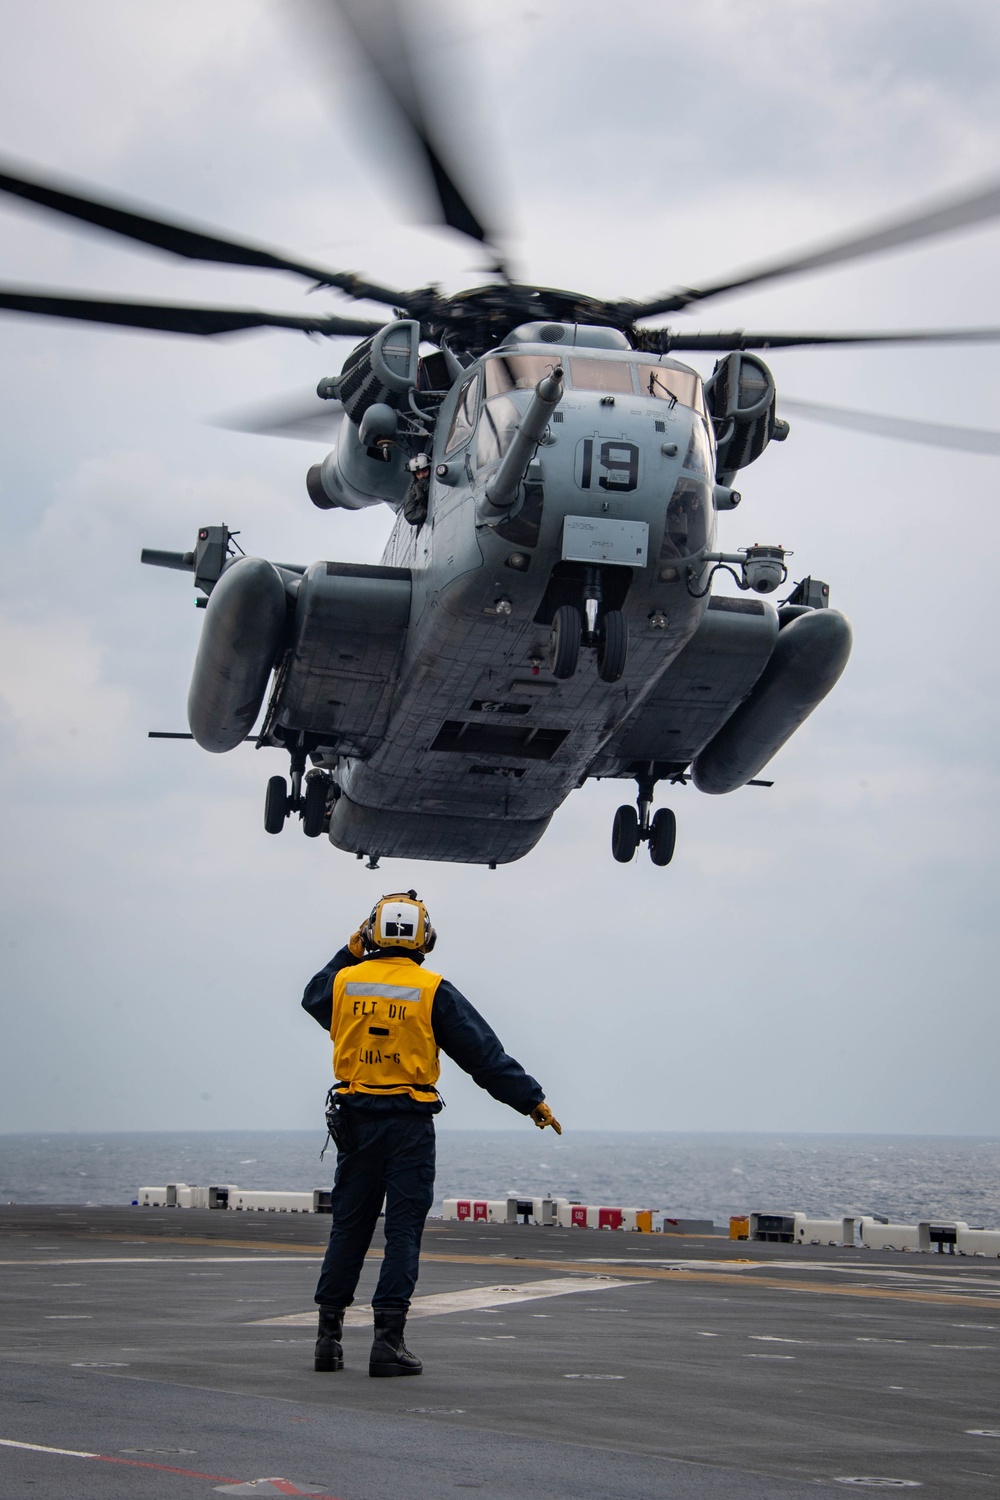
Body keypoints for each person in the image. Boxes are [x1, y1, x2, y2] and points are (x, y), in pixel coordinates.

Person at [301, 890, 561, 1379]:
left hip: (354, 1122)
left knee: (348, 1228)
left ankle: (327, 1339)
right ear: (427, 938)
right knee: (402, 1231)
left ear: (370, 933)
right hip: (408, 1125)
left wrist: (350, 949)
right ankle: (387, 1342)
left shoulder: (343, 984)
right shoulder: (432, 989)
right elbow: (483, 1055)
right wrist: (531, 1100)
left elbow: (312, 994)